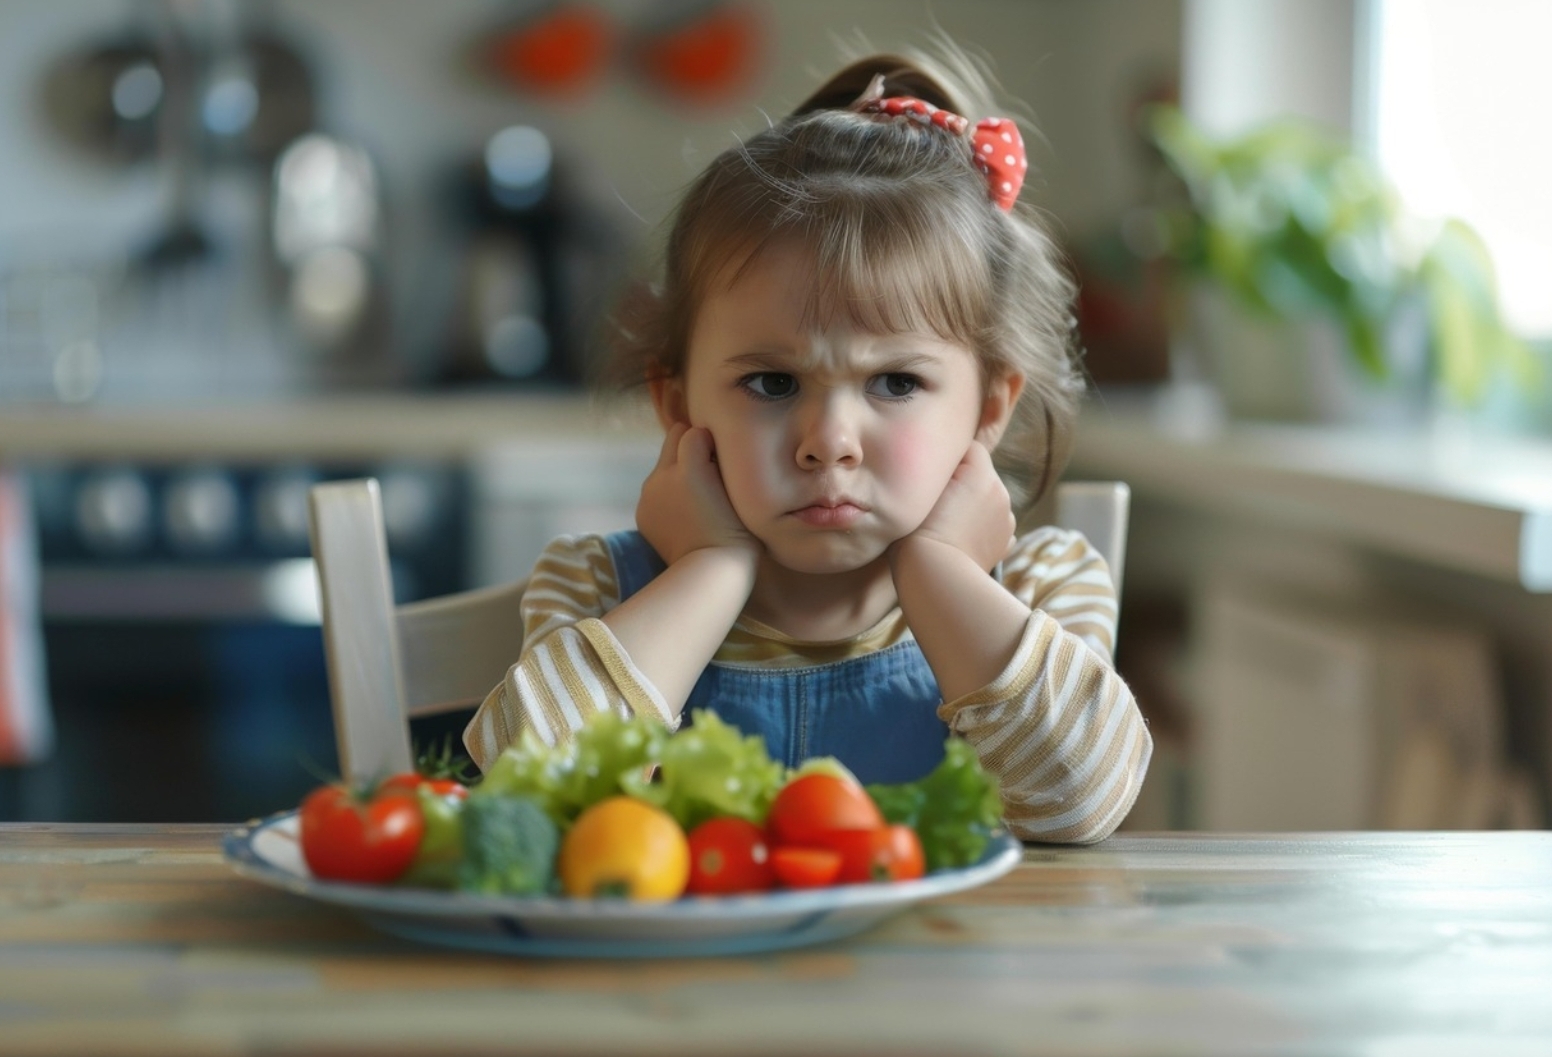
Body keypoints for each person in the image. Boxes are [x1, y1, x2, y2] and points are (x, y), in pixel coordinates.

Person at [464, 45, 1151, 844]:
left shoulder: (1041, 585)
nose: (828, 444)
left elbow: (1081, 806)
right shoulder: (597, 585)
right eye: (773, 384)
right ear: (679, 404)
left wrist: (941, 572)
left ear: (988, 408)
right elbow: (521, 803)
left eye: (895, 383)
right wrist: (708, 572)